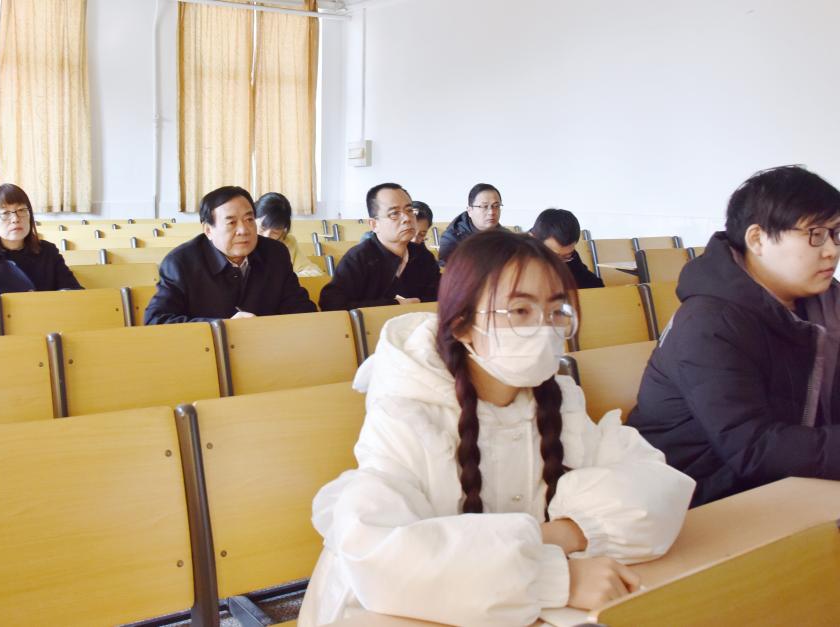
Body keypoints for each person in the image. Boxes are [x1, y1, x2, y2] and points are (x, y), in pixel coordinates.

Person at [299, 230, 694, 626]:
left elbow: (655, 487)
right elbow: (383, 559)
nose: (544, 328)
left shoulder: (559, 397)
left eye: (556, 310)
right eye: (520, 311)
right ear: (461, 324)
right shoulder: (405, 410)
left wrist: (562, 533)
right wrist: (556, 577)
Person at [629, 165, 840, 507]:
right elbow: (754, 449)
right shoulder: (708, 324)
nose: (831, 250)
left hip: (784, 479)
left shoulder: (823, 305)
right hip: (695, 496)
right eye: (816, 234)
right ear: (757, 239)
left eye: (836, 233)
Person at [144, 186, 316, 324]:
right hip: (207, 352)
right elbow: (156, 320)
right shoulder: (180, 263)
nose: (243, 230)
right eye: (231, 222)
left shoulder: (275, 254)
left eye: (249, 220)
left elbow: (300, 308)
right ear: (208, 230)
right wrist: (222, 326)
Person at [319, 183, 440, 311]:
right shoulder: (359, 258)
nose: (407, 218)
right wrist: (395, 305)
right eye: (394, 213)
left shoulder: (423, 256)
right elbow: (332, 304)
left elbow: (440, 296)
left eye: (409, 210)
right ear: (374, 224)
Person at [529, 208, 604, 289]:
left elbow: (594, 284)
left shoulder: (570, 257)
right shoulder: (520, 256)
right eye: (554, 255)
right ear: (533, 238)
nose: (559, 262)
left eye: (566, 256)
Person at [254, 192, 324, 277]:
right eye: (262, 228)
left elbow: (314, 272)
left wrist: (285, 279)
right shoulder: (243, 241)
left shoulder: (287, 242)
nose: (266, 236)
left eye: (275, 232)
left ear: (284, 229)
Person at [438, 182, 509, 263]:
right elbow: (446, 269)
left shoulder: (507, 237)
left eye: (496, 206)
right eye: (484, 206)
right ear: (470, 211)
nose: (491, 212)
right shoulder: (453, 238)